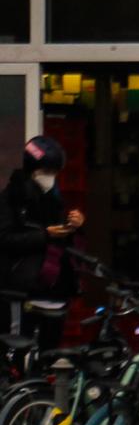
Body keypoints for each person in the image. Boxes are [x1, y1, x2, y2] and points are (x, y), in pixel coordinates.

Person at [2, 136, 84, 350]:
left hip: (54, 290)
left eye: (55, 172)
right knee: (18, 350)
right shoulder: (13, 198)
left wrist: (74, 227)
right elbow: (5, 240)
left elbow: (67, 245)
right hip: (22, 292)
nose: (51, 177)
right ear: (33, 169)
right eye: (47, 171)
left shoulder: (55, 199)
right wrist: (45, 235)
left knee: (50, 354)